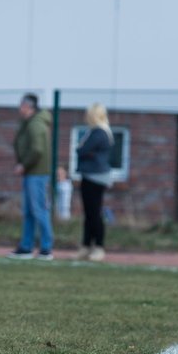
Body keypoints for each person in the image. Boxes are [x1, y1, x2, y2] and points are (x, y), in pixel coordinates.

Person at [8, 93, 54, 261]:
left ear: (28, 107)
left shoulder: (36, 124)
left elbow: (37, 150)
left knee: (39, 210)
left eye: (21, 105)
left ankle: (46, 248)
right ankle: (26, 247)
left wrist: (23, 164)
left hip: (37, 174)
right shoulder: (27, 123)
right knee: (28, 212)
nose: (19, 108)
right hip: (31, 174)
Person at [75, 102, 114, 262]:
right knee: (89, 214)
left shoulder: (99, 132)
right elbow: (84, 151)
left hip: (95, 177)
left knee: (94, 214)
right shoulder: (97, 131)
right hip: (91, 175)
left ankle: (98, 246)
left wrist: (83, 150)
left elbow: (82, 150)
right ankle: (86, 246)